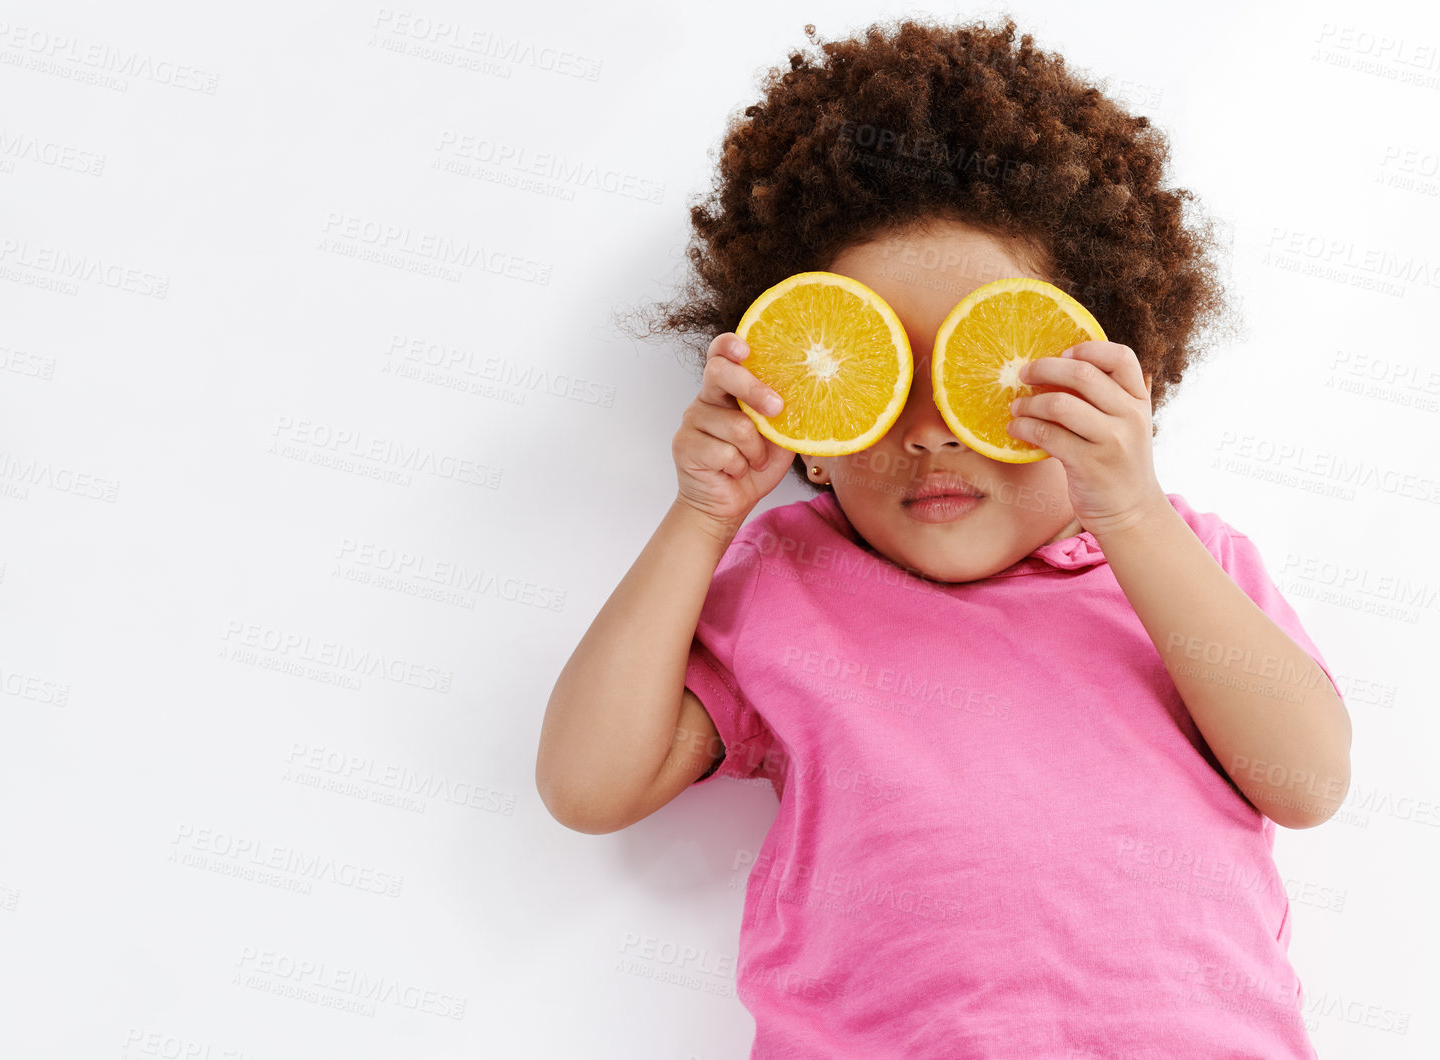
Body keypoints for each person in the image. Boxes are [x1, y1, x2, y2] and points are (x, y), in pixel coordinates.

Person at [538, 16, 1352, 1058]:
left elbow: (1309, 782)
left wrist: (1134, 513)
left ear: (1103, 377)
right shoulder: (788, 584)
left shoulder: (1181, 563)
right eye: (877, 384)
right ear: (812, 432)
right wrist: (703, 514)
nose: (925, 431)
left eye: (985, 375)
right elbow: (586, 785)